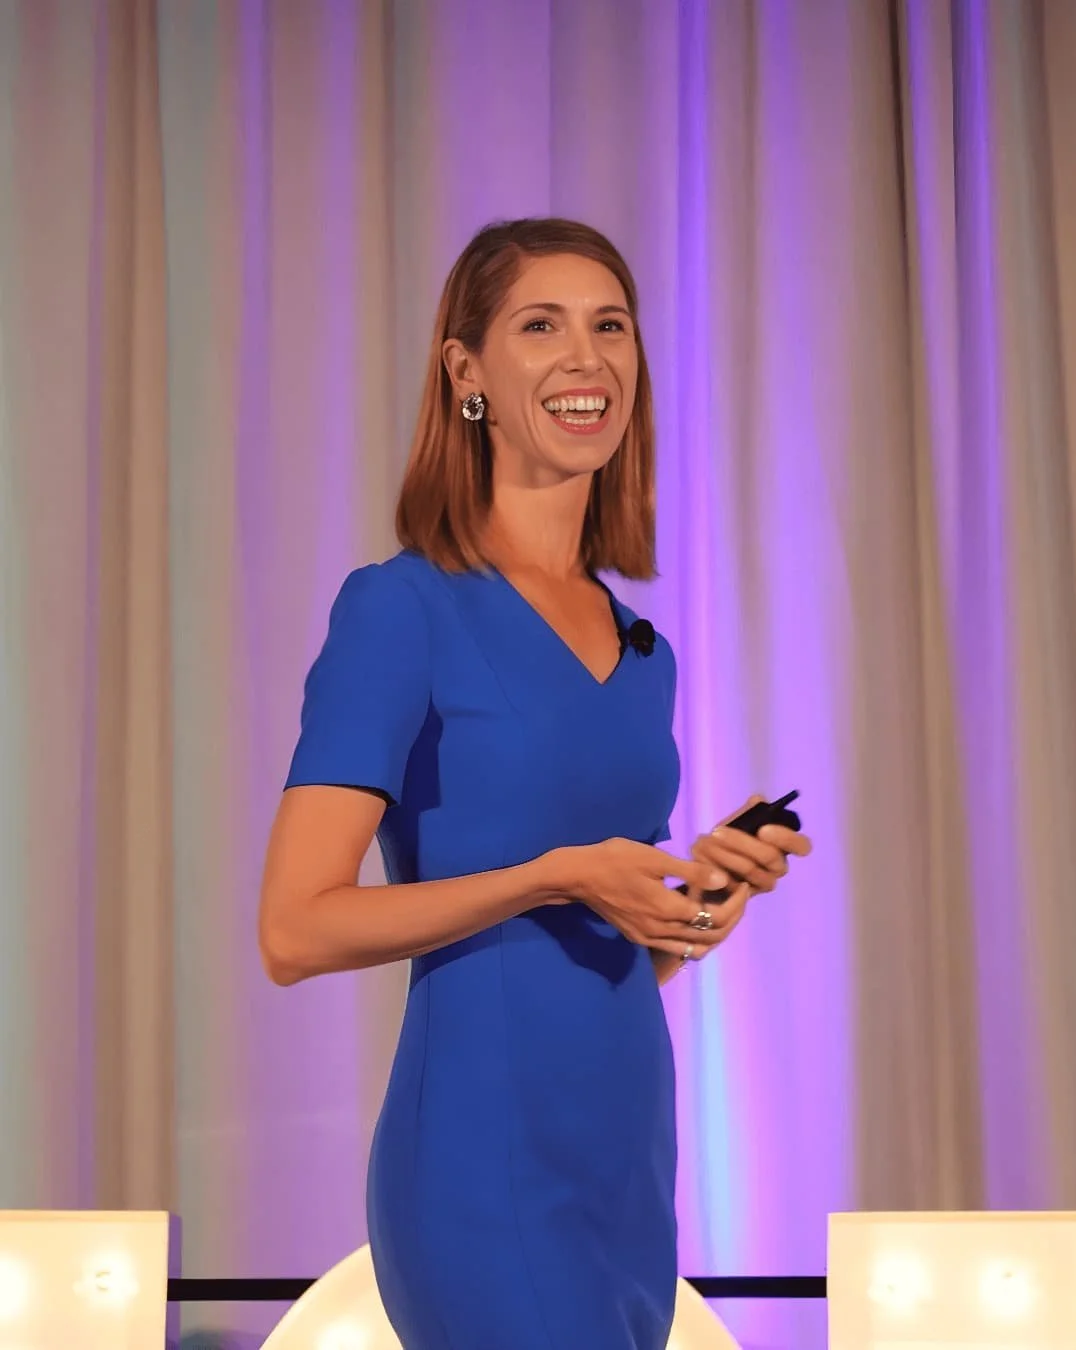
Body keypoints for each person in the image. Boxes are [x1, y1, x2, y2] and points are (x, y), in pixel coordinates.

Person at [257, 217, 812, 1350]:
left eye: (611, 326)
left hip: (625, 1158)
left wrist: (701, 898)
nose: (586, 357)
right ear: (467, 372)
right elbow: (294, 930)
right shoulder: (401, 607)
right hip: (480, 1157)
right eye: (541, 326)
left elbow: (610, 954)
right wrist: (553, 875)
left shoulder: (644, 652)